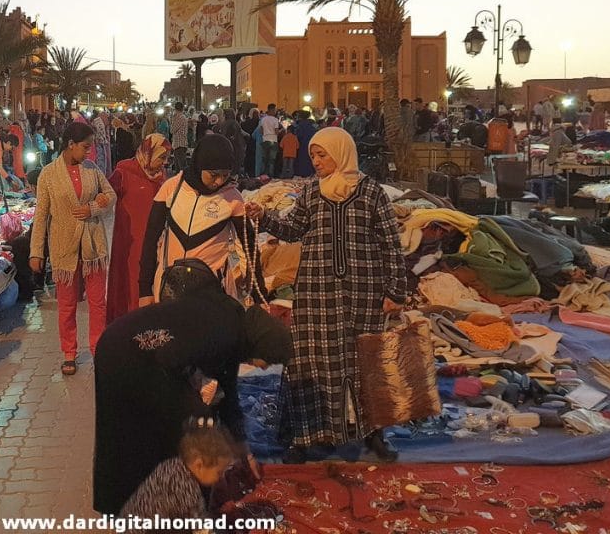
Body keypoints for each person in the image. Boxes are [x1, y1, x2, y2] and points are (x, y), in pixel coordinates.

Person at [244, 127, 407, 464]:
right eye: (313, 155)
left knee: (366, 361)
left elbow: (391, 244)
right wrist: (266, 217)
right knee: (311, 361)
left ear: (341, 152)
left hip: (364, 291)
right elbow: (293, 229)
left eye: (322, 155)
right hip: (316, 292)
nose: (316, 161)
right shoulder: (311, 194)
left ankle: (373, 434)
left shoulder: (371, 192)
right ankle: (308, 437)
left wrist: (396, 291)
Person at [93, 281, 292, 514]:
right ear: (261, 345)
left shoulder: (235, 325)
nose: (264, 365)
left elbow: (229, 397)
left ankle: (129, 508)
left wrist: (243, 450)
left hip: (120, 344)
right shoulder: (226, 333)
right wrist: (197, 414)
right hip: (134, 353)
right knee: (167, 432)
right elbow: (171, 360)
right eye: (268, 360)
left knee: (133, 431)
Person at [30, 122, 117, 376]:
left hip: (93, 246)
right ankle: (69, 352)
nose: (89, 153)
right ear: (70, 145)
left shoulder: (92, 170)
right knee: (67, 305)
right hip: (64, 248)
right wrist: (36, 252)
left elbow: (110, 195)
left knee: (97, 303)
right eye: (86, 147)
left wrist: (94, 208)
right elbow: (42, 214)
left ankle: (98, 348)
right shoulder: (48, 174)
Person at [139, 134, 249, 304]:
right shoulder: (171, 188)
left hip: (213, 292)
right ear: (199, 166)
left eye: (225, 175)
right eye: (213, 175)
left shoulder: (233, 198)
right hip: (169, 288)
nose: (219, 181)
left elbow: (249, 247)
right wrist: (144, 290)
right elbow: (151, 238)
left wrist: (257, 294)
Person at [107, 134, 172, 322]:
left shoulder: (160, 177)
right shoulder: (123, 172)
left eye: (166, 158)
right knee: (129, 284)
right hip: (130, 242)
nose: (164, 163)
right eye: (161, 157)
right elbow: (105, 195)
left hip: (153, 240)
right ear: (148, 153)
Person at [118, 423, 236, 526]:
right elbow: (199, 524)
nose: (220, 478)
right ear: (199, 465)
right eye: (219, 472)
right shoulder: (185, 486)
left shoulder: (171, 465)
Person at [259, 104, 281, 177]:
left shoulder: (263, 119)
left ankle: (264, 174)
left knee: (265, 159)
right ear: (272, 110)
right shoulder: (275, 120)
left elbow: (261, 131)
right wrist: (282, 130)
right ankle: (271, 175)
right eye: (275, 110)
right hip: (273, 140)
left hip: (265, 140)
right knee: (271, 160)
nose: (275, 111)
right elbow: (276, 132)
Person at [293, 111, 318, 178]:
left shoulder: (300, 125)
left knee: (302, 160)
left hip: (302, 145)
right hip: (311, 143)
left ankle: (303, 173)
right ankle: (311, 173)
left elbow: (299, 135)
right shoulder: (312, 124)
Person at [169, 102, 190, 172]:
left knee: (181, 167)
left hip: (179, 144)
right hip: (179, 144)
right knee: (179, 167)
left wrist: (172, 119)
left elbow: (172, 130)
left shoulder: (179, 118)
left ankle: (184, 181)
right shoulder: (182, 117)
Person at [241, 109, 260, 176]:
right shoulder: (258, 123)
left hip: (250, 143)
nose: (257, 116)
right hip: (254, 143)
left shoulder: (245, 123)